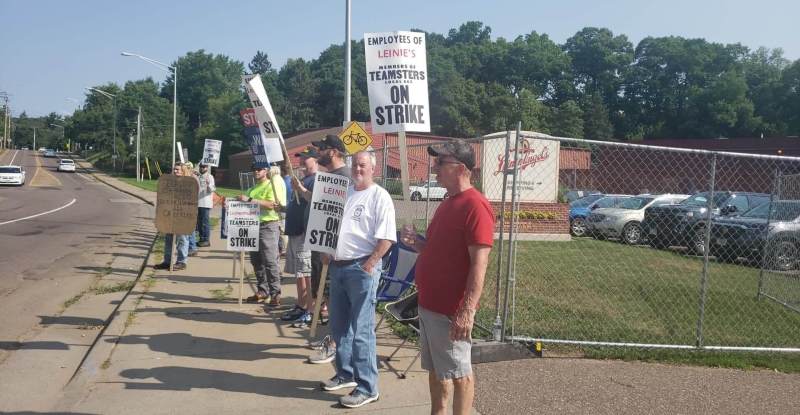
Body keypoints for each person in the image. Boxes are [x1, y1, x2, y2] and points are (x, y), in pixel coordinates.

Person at [401, 140, 494, 415]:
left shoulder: (476, 206)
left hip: (450, 312)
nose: (434, 167)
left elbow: (480, 264)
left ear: (461, 168)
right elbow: (435, 249)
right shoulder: (448, 203)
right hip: (429, 305)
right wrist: (416, 242)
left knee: (459, 373)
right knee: (437, 370)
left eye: (440, 162)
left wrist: (466, 311)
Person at [320, 150, 396, 409]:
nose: (357, 169)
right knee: (339, 327)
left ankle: (367, 387)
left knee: (362, 330)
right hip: (338, 267)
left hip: (361, 269)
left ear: (373, 168)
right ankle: (345, 373)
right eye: (355, 164)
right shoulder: (346, 192)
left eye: (362, 165)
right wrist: (326, 249)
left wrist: (371, 264)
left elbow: (386, 238)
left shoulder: (379, 196)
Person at [304, 134, 351, 364]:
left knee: (336, 299)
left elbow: (346, 216)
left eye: (321, 149)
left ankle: (334, 344)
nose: (317, 153)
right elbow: (320, 205)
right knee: (330, 296)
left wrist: (331, 246)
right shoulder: (329, 176)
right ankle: (332, 338)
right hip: (325, 247)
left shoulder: (347, 177)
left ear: (333, 151)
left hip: (339, 252)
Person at [280, 147, 320, 326]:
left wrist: (301, 188)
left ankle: (311, 309)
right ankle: (301, 304)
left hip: (305, 233)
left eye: (306, 158)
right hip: (295, 232)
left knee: (307, 273)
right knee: (299, 272)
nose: (302, 162)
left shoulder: (317, 179)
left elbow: (316, 201)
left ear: (315, 160)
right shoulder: (303, 179)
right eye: (300, 158)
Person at [239, 163, 287, 306]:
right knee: (256, 260)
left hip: (268, 225)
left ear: (265, 171)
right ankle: (262, 290)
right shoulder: (252, 188)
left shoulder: (270, 185)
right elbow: (243, 202)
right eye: (253, 170)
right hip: (252, 226)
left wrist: (249, 200)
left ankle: (275, 293)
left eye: (259, 169)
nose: (256, 172)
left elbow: (271, 204)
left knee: (270, 260)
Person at [154, 164, 199, 271]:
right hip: (170, 216)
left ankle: (181, 262)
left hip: (183, 216)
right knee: (169, 239)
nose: (175, 171)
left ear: (183, 171)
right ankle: (167, 261)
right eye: (174, 169)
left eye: (177, 169)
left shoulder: (189, 183)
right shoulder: (169, 183)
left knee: (182, 238)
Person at [196, 162, 216, 247]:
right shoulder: (199, 176)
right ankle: (201, 239)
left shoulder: (210, 177)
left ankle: (206, 240)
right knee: (199, 223)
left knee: (205, 222)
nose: (202, 168)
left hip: (205, 203)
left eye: (204, 167)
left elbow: (212, 189)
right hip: (198, 203)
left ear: (207, 168)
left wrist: (208, 184)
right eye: (201, 167)